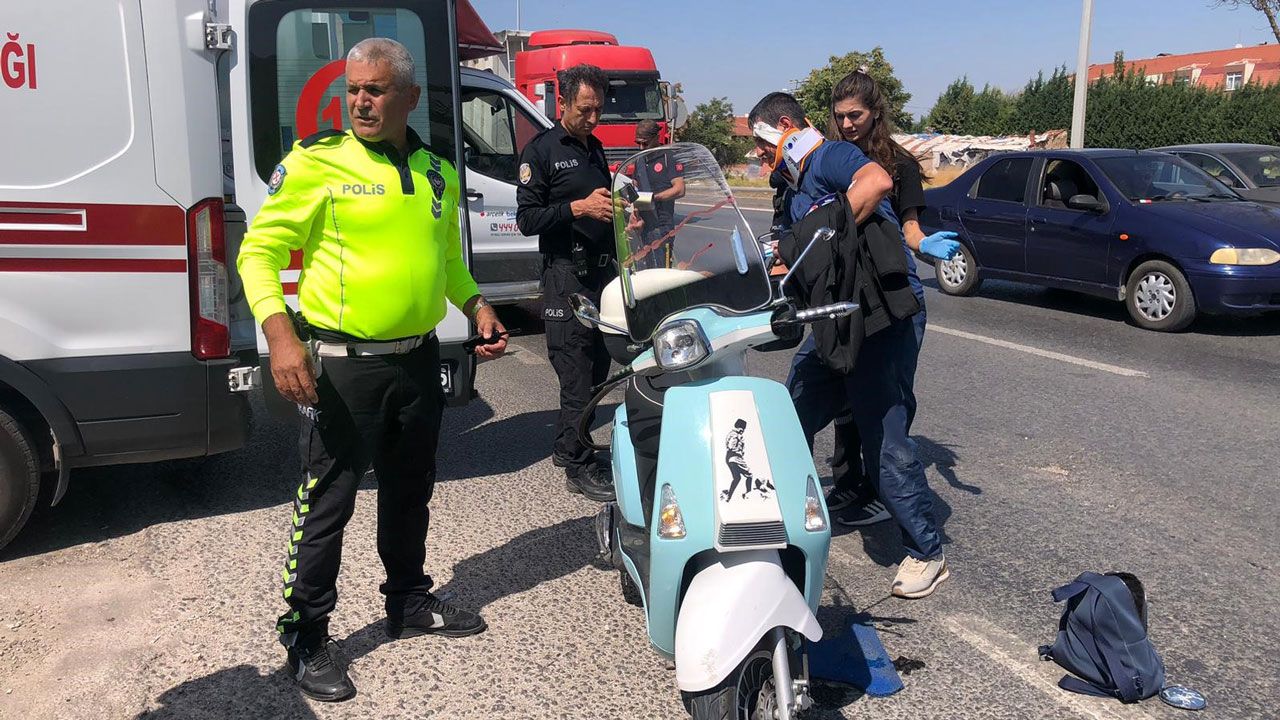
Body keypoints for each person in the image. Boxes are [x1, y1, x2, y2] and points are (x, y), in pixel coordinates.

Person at [236, 38, 506, 702]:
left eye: (375, 90)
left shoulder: (436, 171)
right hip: (343, 368)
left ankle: (407, 601)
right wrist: (279, 335)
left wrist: (477, 305)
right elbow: (257, 252)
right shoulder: (316, 162)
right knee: (326, 504)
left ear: (408, 97)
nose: (359, 101)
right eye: (353, 89)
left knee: (411, 490)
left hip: (417, 359)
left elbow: (446, 261)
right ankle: (305, 635)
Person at [750, 91, 950, 599]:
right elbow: (787, 252)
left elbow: (876, 181)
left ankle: (926, 551)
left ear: (785, 125)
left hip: (882, 314)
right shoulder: (791, 187)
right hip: (834, 316)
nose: (758, 153)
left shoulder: (830, 156)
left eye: (760, 141)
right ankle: (774, 519)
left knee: (884, 433)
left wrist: (825, 231)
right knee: (790, 413)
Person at [813, 70, 961, 527]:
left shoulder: (899, 165)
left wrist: (925, 244)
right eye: (840, 116)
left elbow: (910, 228)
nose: (847, 124)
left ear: (875, 112)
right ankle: (851, 483)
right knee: (843, 393)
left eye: (855, 115)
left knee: (888, 402)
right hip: (845, 292)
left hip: (893, 295)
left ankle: (886, 494)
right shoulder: (833, 159)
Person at [516, 64, 618, 503]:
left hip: (601, 277)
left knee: (597, 371)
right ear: (563, 103)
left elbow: (603, 208)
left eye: (598, 110)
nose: (593, 118)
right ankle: (578, 465)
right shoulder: (540, 151)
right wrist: (578, 208)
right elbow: (526, 219)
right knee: (576, 375)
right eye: (585, 110)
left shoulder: (595, 149)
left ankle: (568, 446)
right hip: (566, 277)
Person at [631, 119, 685, 268]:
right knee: (646, 269)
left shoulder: (669, 157)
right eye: (638, 143)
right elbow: (636, 186)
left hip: (662, 226)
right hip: (643, 227)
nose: (641, 147)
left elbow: (680, 189)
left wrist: (654, 198)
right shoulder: (639, 160)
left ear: (656, 138)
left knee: (662, 270)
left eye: (645, 143)